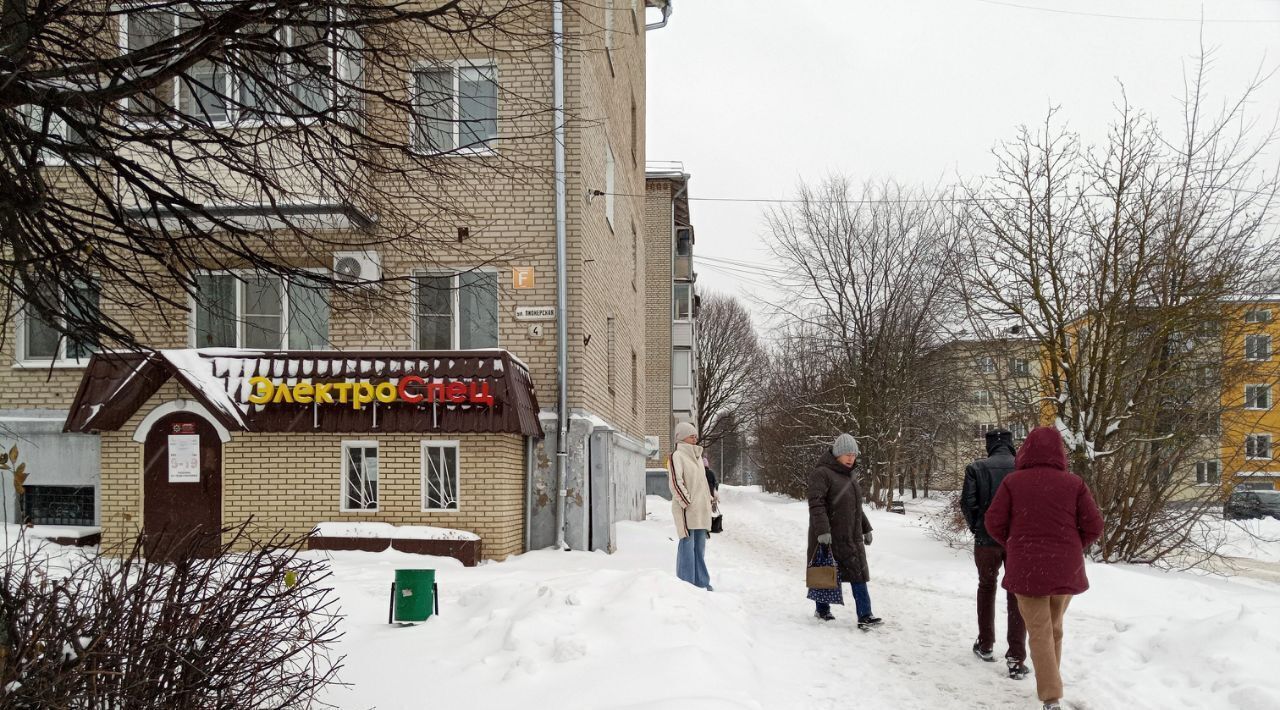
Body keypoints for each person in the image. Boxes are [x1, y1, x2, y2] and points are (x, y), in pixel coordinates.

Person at [985, 427, 1104, 710]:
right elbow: (1094, 526)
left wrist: (1014, 543)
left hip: (1027, 569)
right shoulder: (1074, 483)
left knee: (1039, 631)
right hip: (1065, 569)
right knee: (1054, 629)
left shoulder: (1014, 483)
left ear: (1026, 450)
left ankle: (1051, 696)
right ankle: (1051, 686)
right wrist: (1072, 546)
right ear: (1059, 453)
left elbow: (993, 522)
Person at [961, 428, 1028, 679]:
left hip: (986, 540)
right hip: (1017, 541)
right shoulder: (1023, 469)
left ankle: (986, 643)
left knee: (986, 587)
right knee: (1016, 594)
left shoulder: (976, 468)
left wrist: (978, 527)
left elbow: (968, 503)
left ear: (989, 446)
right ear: (1011, 445)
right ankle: (1016, 657)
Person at [806, 433, 881, 628]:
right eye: (847, 454)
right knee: (825, 571)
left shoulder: (850, 476)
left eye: (854, 455)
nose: (851, 458)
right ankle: (822, 610)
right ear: (837, 453)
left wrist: (866, 528)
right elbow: (816, 504)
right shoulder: (821, 473)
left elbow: (856, 507)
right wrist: (822, 530)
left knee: (858, 574)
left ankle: (865, 615)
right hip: (828, 535)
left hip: (850, 536)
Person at [668, 422, 713, 590]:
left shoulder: (698, 457)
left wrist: (708, 499)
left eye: (695, 435)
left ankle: (702, 582)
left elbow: (701, 483)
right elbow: (675, 482)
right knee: (687, 546)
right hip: (686, 510)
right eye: (691, 435)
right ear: (681, 437)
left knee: (699, 549)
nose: (695, 437)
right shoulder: (676, 456)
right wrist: (687, 502)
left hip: (701, 511)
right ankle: (686, 585)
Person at [703, 456, 722, 534]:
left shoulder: (700, 473)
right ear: (707, 465)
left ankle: (703, 526)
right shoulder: (711, 473)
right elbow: (715, 484)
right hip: (710, 494)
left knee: (702, 510)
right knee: (708, 510)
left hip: (702, 494)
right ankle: (708, 525)